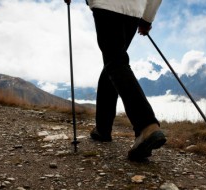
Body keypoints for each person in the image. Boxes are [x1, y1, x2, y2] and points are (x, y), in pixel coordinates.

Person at [63, 0, 166, 161]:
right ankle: (103, 128)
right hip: (134, 8)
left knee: (115, 62)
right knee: (113, 62)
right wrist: (147, 19)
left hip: (107, 5)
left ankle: (146, 125)